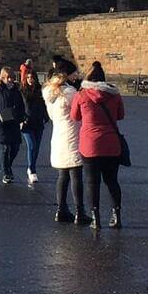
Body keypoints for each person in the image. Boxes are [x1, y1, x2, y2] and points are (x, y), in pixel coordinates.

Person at [70, 60, 125, 229]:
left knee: (92, 182)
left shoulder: (81, 95)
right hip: (111, 144)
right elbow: (121, 115)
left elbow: (74, 116)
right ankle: (116, 215)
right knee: (112, 181)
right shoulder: (114, 94)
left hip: (90, 145)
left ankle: (96, 217)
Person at [44, 62, 89, 224]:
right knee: (76, 174)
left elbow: (52, 116)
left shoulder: (50, 94)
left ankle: (61, 210)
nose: (76, 75)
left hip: (58, 136)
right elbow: (79, 113)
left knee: (62, 175)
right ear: (67, 74)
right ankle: (80, 212)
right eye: (74, 73)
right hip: (72, 135)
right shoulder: (69, 92)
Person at [0, 67, 26, 184]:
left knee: (15, 148)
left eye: (11, 77)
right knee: (5, 148)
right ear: (2, 78)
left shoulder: (16, 91)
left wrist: (22, 117)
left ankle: (8, 166)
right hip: (2, 124)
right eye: (7, 77)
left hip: (14, 123)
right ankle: (6, 172)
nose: (10, 80)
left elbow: (21, 106)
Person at [20, 68, 47, 186]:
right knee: (32, 145)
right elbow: (19, 107)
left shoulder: (41, 91)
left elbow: (45, 104)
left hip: (38, 122)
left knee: (36, 148)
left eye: (32, 78)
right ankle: (32, 169)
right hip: (27, 123)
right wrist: (21, 120)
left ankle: (32, 166)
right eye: (28, 78)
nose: (30, 80)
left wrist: (46, 117)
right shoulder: (22, 91)